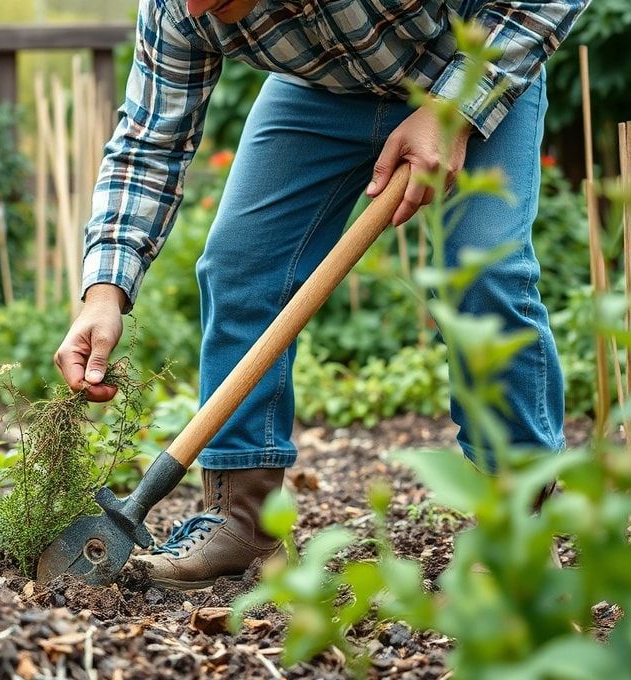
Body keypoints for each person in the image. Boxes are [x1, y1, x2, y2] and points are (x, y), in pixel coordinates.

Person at [54, 0, 589, 590]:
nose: (200, 9)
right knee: (241, 266)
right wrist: (103, 292)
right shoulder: (178, 10)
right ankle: (241, 524)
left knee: (484, 274)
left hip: (470, 58)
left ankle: (516, 519)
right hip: (322, 91)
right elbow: (150, 141)